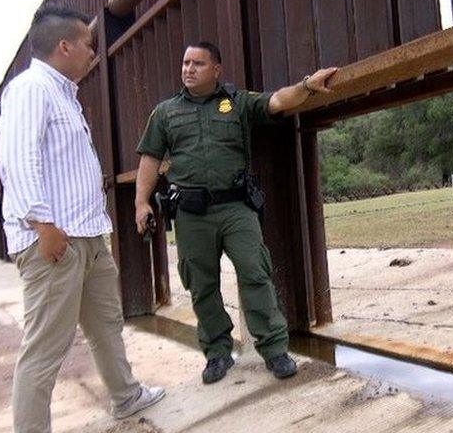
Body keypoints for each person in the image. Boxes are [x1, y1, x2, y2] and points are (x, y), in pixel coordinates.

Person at [0, 6, 165, 433]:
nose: (94, 52)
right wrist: (43, 226)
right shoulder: (31, 89)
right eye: (89, 44)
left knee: (105, 327)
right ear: (64, 46)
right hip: (55, 238)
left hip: (87, 234)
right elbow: (18, 161)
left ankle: (126, 396)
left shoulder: (64, 94)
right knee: (45, 346)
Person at [135, 41, 336, 384]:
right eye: (185, 63)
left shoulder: (238, 102)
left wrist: (306, 86)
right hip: (191, 213)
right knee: (201, 284)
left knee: (255, 272)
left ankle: (274, 349)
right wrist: (141, 201)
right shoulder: (165, 112)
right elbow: (150, 158)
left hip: (235, 208)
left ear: (216, 69)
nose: (189, 69)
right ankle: (216, 353)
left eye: (198, 63)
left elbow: (276, 101)